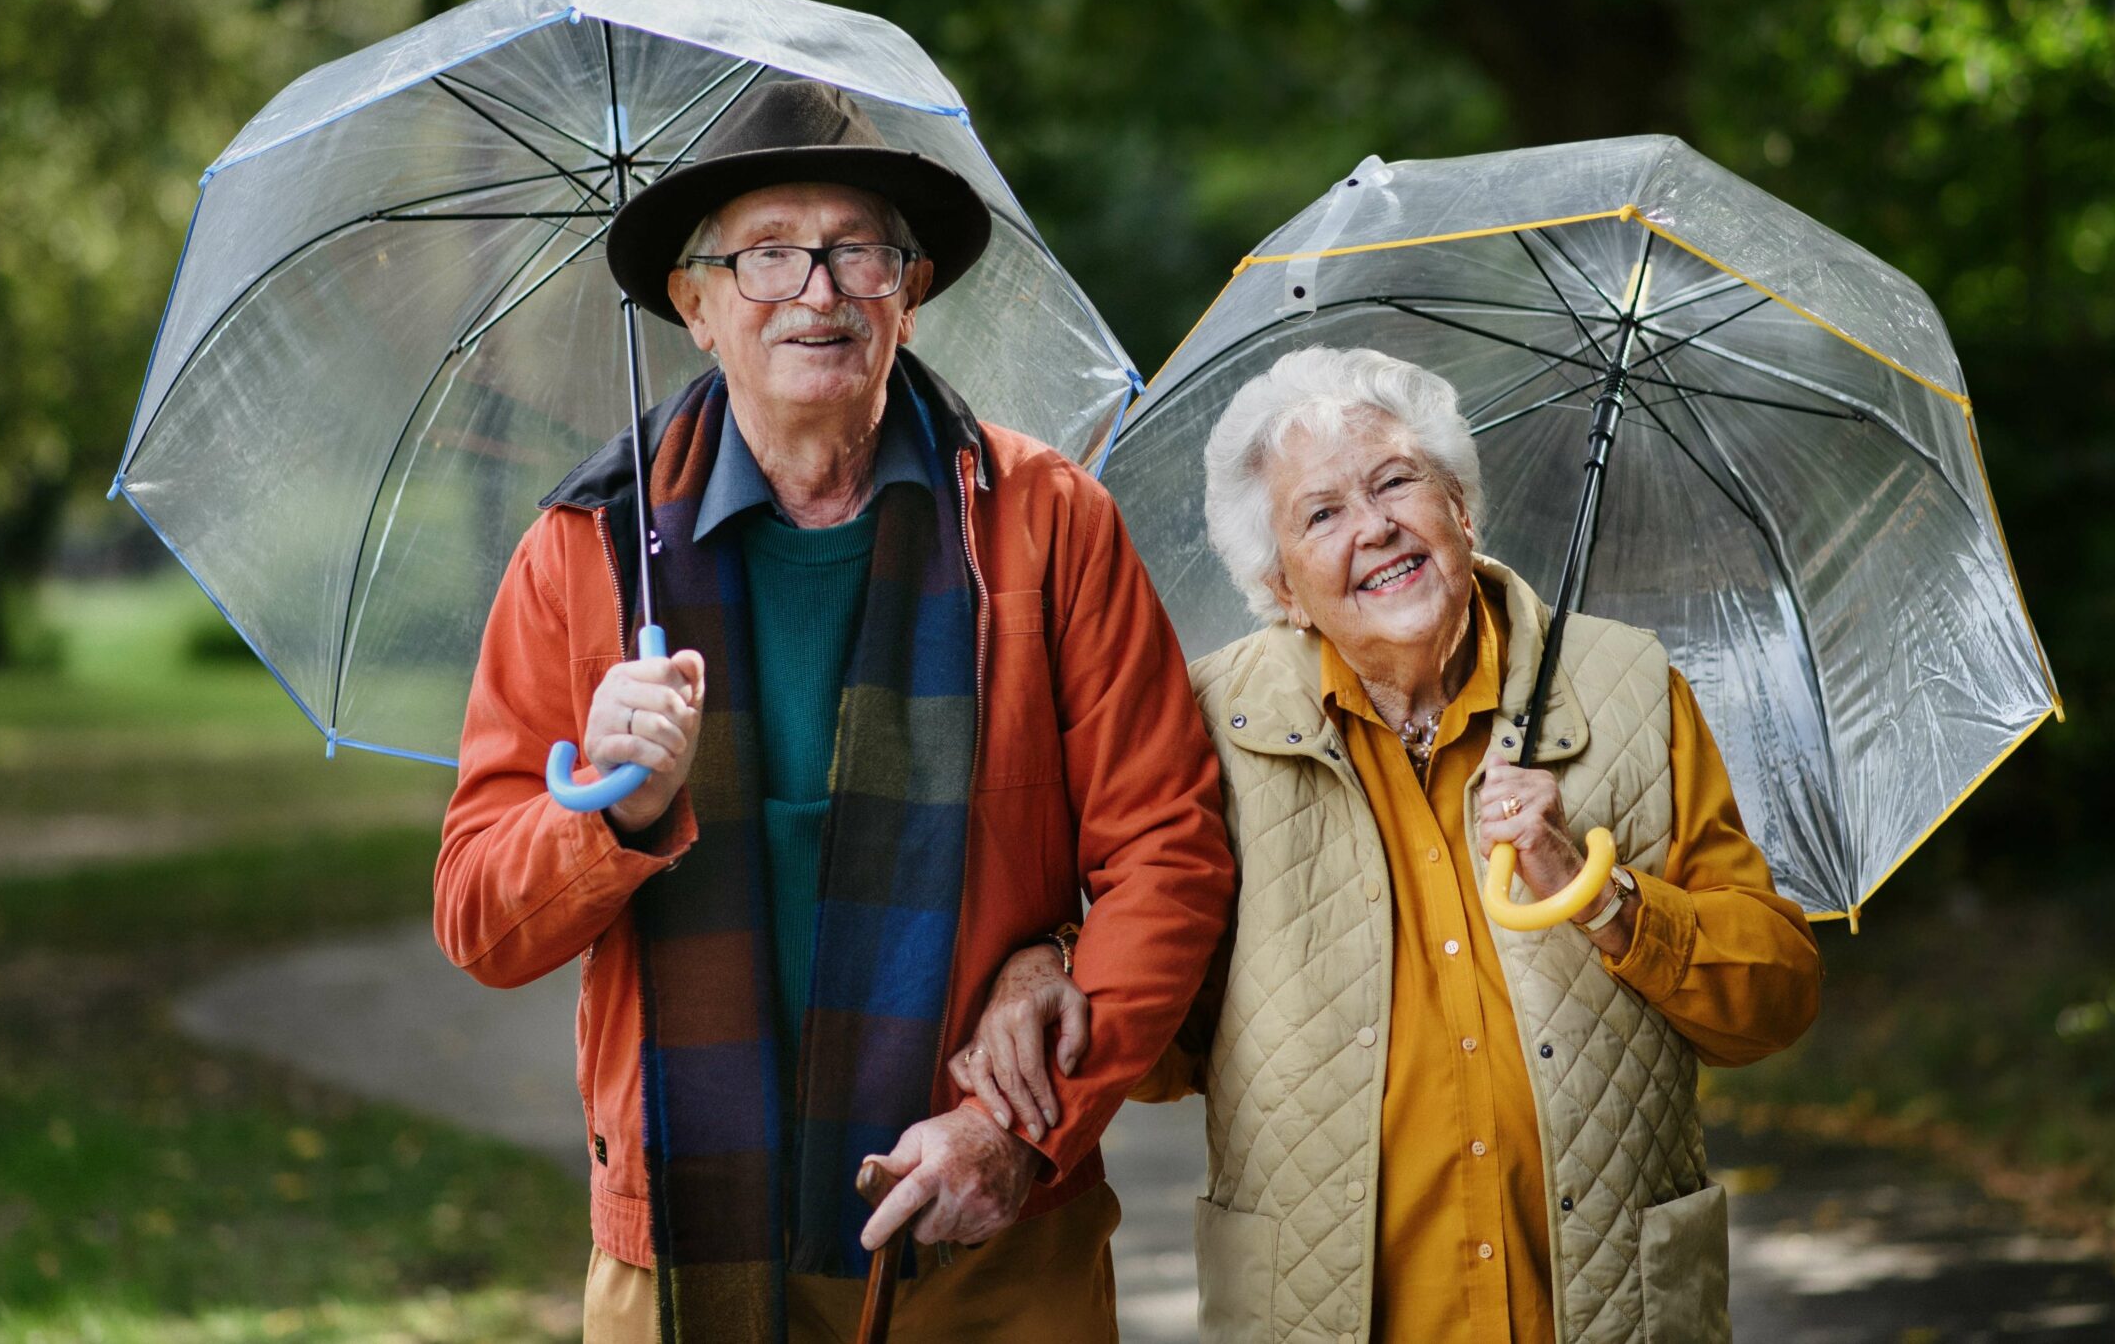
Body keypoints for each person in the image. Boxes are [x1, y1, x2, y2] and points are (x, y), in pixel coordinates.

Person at [435, 78, 1234, 1344]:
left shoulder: (1045, 521)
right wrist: (616, 818)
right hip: (686, 1255)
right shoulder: (585, 553)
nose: (817, 290)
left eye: (854, 248)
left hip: (991, 1238)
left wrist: (1015, 1127)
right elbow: (480, 917)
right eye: (764, 255)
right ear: (692, 307)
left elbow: (1168, 852)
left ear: (906, 290)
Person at [952, 345, 1821, 1344]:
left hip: (1605, 1312)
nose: (1373, 529)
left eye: (1395, 481)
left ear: (1460, 505)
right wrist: (1048, 961)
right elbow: (1158, 1045)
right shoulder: (1205, 729)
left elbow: (1773, 1000)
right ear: (1278, 585)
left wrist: (1599, 892)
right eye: (1321, 514)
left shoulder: (1625, 686)